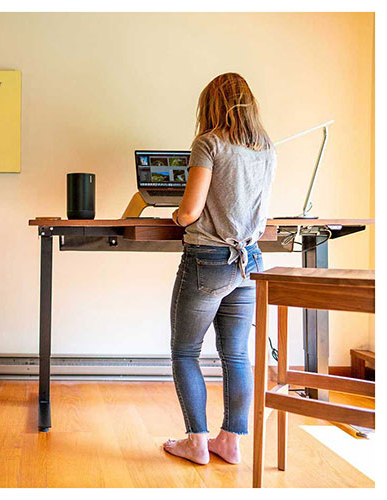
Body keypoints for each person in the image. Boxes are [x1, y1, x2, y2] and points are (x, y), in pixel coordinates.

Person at [164, 73, 277, 465]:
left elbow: (191, 211)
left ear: (211, 105)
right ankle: (230, 441)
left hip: (208, 261)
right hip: (250, 260)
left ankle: (196, 441)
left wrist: (179, 215)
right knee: (236, 354)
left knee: (184, 351)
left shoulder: (208, 143)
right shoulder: (266, 149)